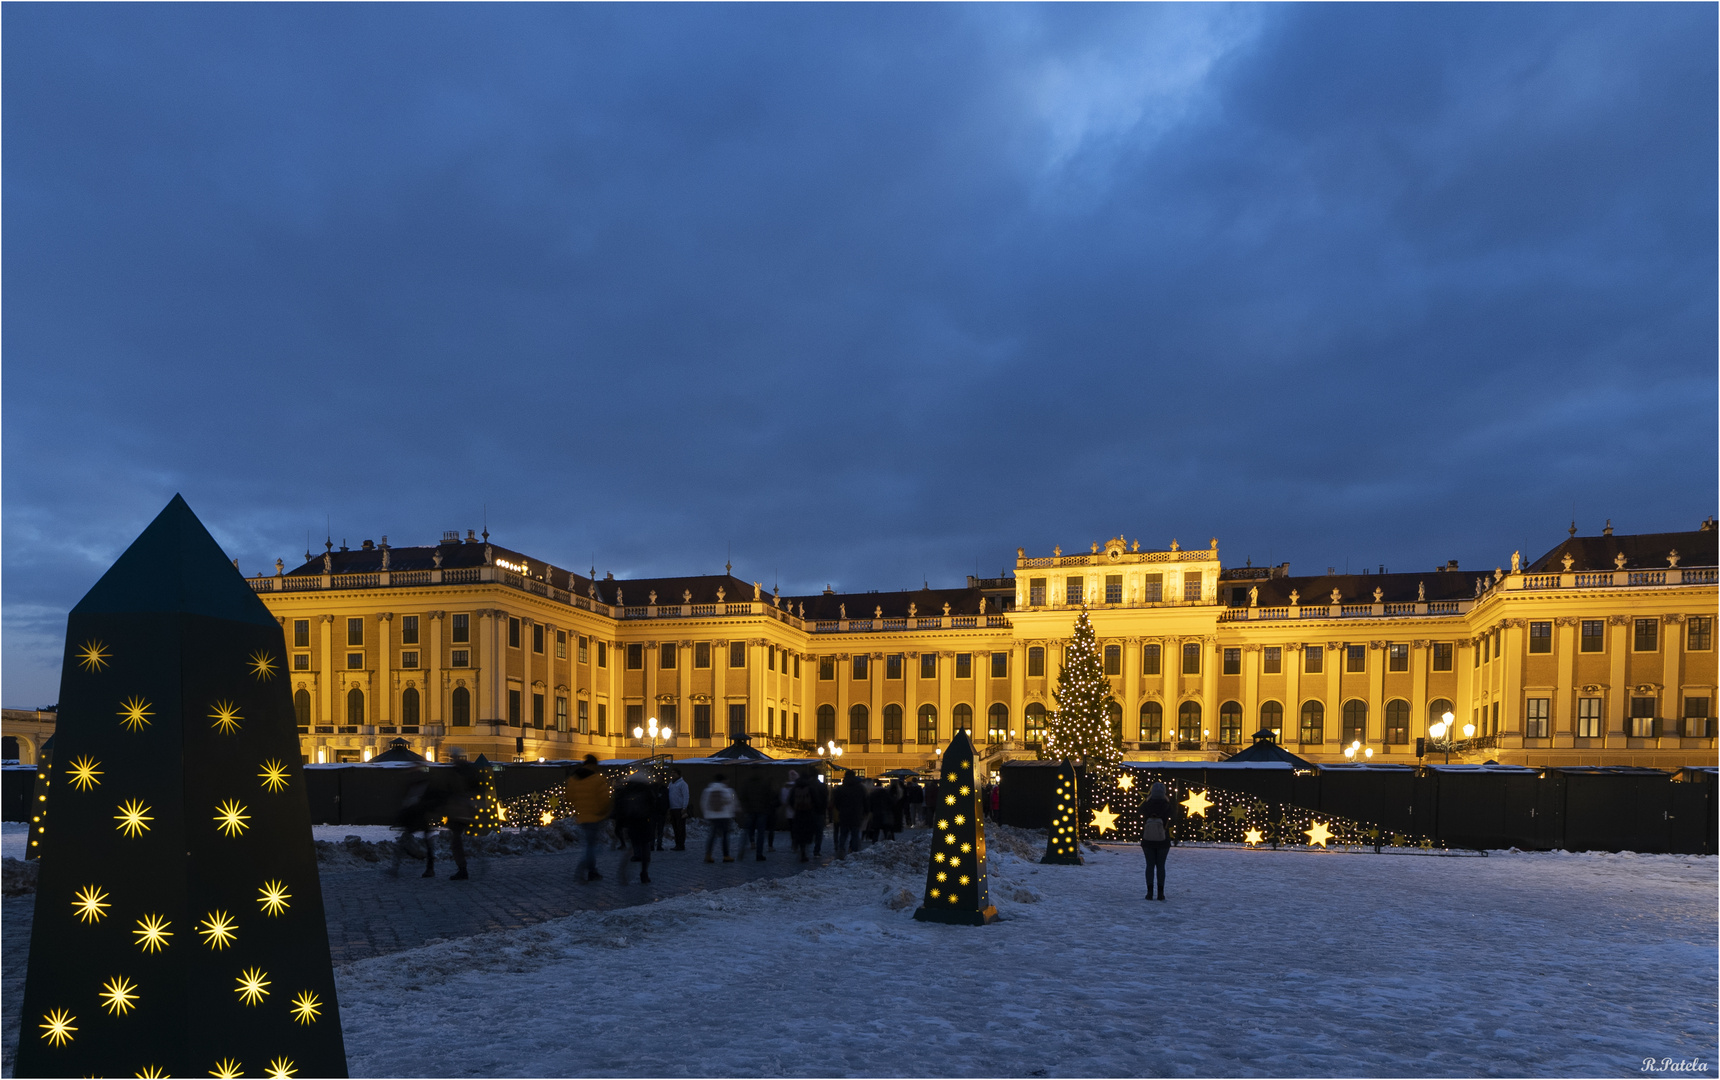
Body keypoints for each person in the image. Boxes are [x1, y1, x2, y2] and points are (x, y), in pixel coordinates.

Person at [389, 765, 445, 878]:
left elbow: (411, 802)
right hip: (415, 817)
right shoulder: (416, 786)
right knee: (409, 841)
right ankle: (398, 866)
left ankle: (428, 867)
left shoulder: (424, 787)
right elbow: (407, 803)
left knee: (424, 843)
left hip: (422, 817)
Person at [565, 754, 613, 882]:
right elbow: (604, 800)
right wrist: (604, 812)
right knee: (595, 846)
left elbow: (569, 797)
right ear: (594, 765)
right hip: (596, 817)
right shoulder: (597, 779)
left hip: (581, 817)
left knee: (589, 844)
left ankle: (592, 871)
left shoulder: (574, 778)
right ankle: (585, 865)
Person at [612, 770, 656, 884]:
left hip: (631, 823)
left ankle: (624, 872)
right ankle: (644, 873)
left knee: (632, 848)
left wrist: (620, 825)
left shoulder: (626, 791)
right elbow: (653, 807)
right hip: (644, 823)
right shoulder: (647, 790)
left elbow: (620, 809)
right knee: (645, 849)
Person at [442, 747, 480, 881]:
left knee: (456, 842)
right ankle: (473, 861)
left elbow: (450, 790)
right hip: (464, 809)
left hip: (459, 811)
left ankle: (463, 869)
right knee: (460, 839)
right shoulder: (468, 771)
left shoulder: (458, 772)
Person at [1141, 781, 1173, 902]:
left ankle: (1149, 892)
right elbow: (1173, 815)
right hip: (1163, 839)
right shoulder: (1167, 804)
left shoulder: (1146, 805)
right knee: (1161, 866)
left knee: (1149, 865)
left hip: (1148, 839)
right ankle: (1161, 893)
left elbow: (1140, 812)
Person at [740, 771, 776, 861]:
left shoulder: (747, 783)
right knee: (760, 834)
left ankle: (742, 850)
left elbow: (743, 797)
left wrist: (746, 808)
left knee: (748, 830)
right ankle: (759, 854)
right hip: (761, 812)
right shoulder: (764, 784)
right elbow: (769, 797)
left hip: (750, 811)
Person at [702, 772, 737, 863]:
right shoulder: (727, 790)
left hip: (713, 816)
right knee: (725, 836)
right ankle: (726, 855)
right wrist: (732, 813)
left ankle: (708, 855)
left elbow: (704, 802)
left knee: (712, 835)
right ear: (723, 780)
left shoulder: (708, 790)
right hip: (725, 816)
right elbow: (732, 801)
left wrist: (707, 814)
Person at [833, 772, 867, 858]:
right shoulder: (860, 788)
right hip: (856, 814)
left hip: (844, 814)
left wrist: (841, 809)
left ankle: (841, 850)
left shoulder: (841, 789)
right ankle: (854, 852)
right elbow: (866, 801)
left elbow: (836, 803)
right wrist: (865, 812)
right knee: (855, 834)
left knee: (843, 834)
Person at [666, 769, 690, 850]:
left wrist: (684, 807)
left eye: (674, 774)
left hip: (680, 808)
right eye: (672, 773)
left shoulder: (683, 784)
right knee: (675, 828)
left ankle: (681, 845)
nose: (672, 775)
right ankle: (677, 844)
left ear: (678, 775)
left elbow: (686, 796)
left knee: (680, 828)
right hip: (673, 808)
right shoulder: (671, 784)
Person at [649, 773, 671, 851]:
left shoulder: (665, 789)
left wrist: (665, 809)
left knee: (660, 830)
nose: (659, 780)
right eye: (658, 778)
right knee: (652, 830)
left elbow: (667, 800)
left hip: (661, 812)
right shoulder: (652, 788)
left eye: (661, 779)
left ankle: (659, 845)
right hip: (653, 812)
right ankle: (651, 845)